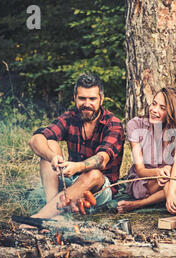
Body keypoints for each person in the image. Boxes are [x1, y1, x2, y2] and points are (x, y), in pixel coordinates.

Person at [23, 73, 125, 223]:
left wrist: (77, 167)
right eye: (82, 98)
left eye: (92, 99)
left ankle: (41, 217)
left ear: (101, 99)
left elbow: (102, 159)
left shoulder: (113, 123)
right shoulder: (71, 117)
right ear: (75, 98)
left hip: (100, 188)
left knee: (93, 174)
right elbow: (35, 140)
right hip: (72, 181)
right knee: (49, 145)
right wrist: (53, 157)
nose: (87, 103)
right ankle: (54, 212)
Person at [116, 87, 176, 235]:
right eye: (154, 104)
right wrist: (158, 172)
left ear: (172, 112)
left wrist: (172, 188)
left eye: (162, 108)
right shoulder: (135, 125)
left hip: (172, 179)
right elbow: (140, 170)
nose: (154, 110)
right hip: (145, 180)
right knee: (167, 179)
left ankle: (138, 205)